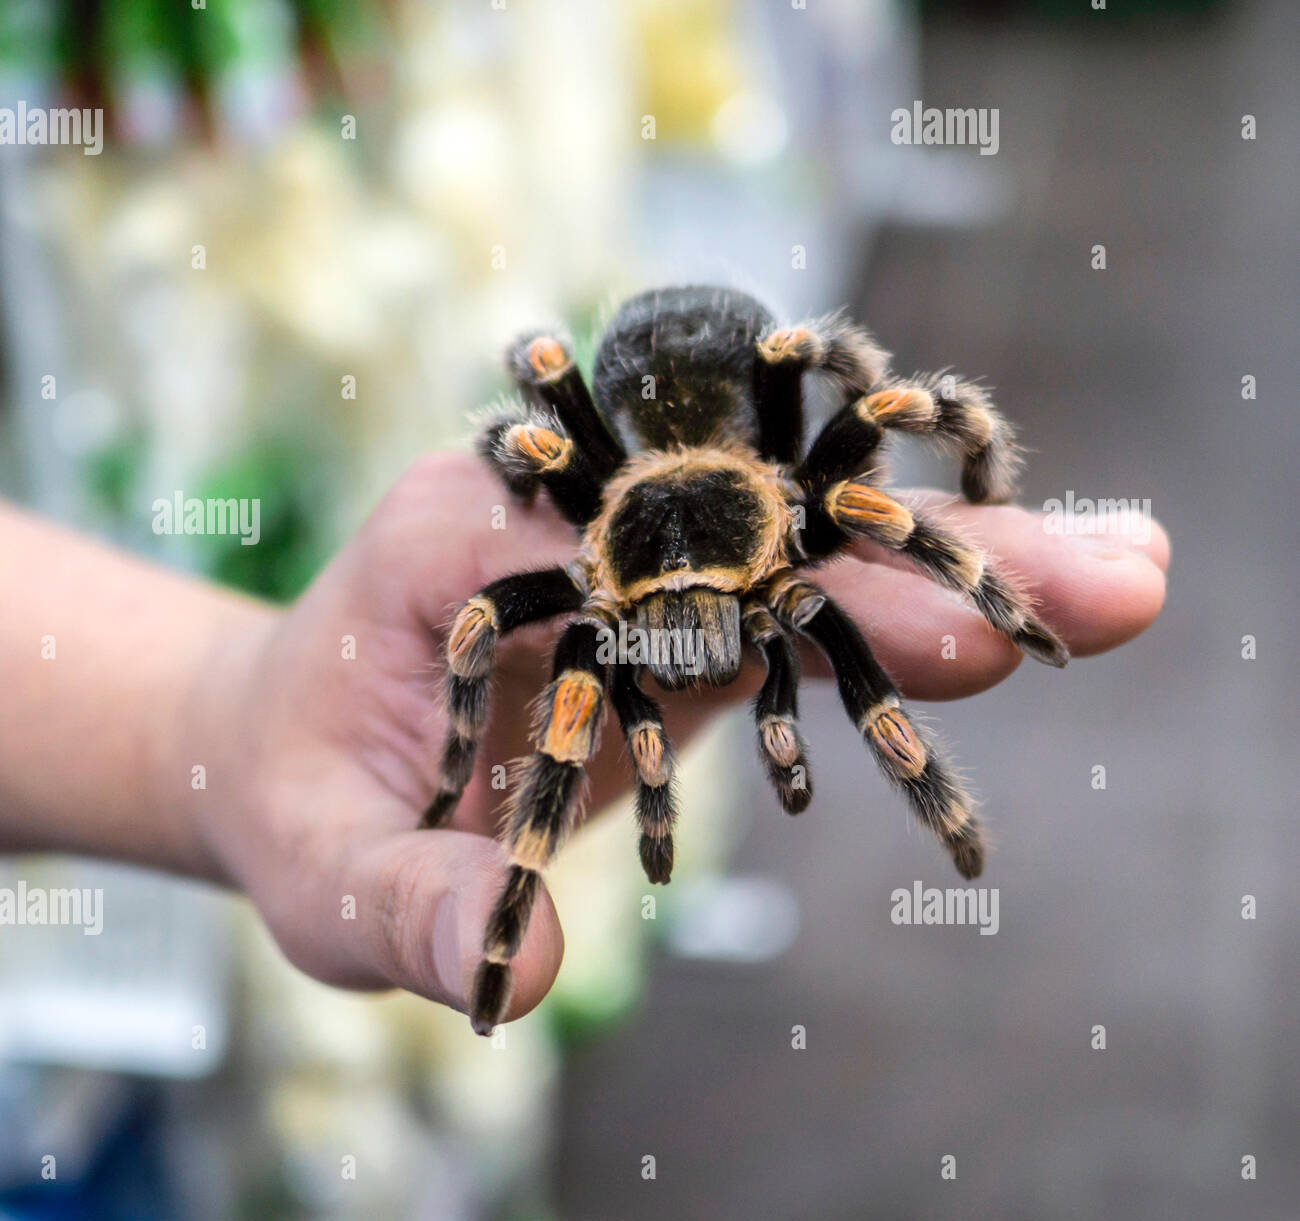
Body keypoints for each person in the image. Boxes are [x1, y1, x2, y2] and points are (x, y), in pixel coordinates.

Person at [0, 455, 1168, 1025]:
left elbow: (883, 435)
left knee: (868, 605)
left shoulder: (796, 519)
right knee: (527, 673)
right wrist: (448, 766)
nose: (688, 643)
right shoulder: (580, 587)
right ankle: (512, 883)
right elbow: (527, 424)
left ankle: (948, 807)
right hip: (628, 532)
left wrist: (992, 591)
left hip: (742, 487)